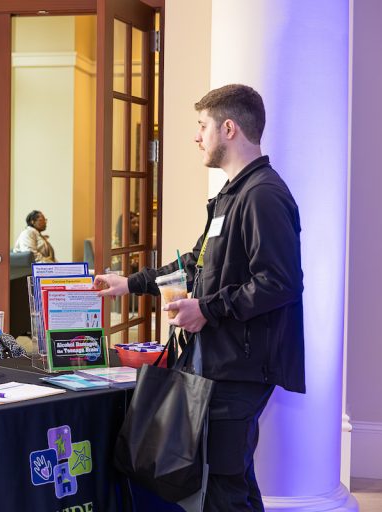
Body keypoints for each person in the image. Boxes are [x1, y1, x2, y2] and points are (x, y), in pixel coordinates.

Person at [95, 84, 304, 511]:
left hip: (239, 367)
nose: (196, 136)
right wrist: (129, 284)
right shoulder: (232, 195)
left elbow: (280, 282)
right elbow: (195, 264)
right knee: (232, 479)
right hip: (220, 362)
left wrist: (206, 309)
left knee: (222, 487)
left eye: (202, 126)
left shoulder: (262, 195)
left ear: (229, 128)